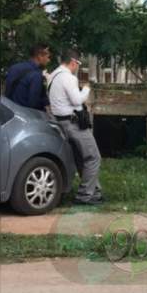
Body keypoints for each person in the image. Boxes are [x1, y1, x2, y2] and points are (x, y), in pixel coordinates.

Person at [48, 49, 103, 205]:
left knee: (81, 158)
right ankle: (84, 196)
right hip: (74, 124)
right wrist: (86, 88)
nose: (77, 67)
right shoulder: (68, 78)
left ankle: (95, 193)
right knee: (93, 157)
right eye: (78, 64)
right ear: (73, 62)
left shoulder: (53, 76)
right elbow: (77, 100)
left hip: (60, 122)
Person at [3, 44, 51, 111]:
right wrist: (46, 102)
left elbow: (6, 90)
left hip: (10, 113)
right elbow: (33, 103)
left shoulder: (14, 68)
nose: (49, 60)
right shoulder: (36, 75)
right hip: (25, 115)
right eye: (48, 57)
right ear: (40, 56)